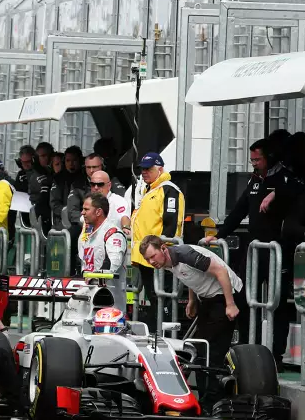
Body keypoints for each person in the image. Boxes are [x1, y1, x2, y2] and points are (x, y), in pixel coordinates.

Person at [202, 139, 292, 364]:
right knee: (242, 297)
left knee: (277, 303)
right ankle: (247, 348)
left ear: (269, 157)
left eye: (257, 159)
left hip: (278, 250)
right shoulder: (254, 179)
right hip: (254, 250)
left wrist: (276, 195)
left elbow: (297, 193)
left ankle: (276, 356)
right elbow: (240, 210)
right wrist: (220, 234)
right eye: (251, 160)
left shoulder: (284, 178)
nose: (254, 163)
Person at [139, 235, 244, 401]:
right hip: (207, 297)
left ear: (164, 248)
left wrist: (230, 304)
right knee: (198, 348)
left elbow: (221, 271)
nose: (151, 262)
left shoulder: (186, 255)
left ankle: (211, 400)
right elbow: (189, 277)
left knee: (207, 349)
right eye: (147, 259)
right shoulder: (167, 262)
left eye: (153, 256)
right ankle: (205, 397)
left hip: (225, 295)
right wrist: (192, 300)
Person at [129, 152, 184, 331]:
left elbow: (171, 223)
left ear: (159, 169)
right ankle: (156, 334)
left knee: (163, 298)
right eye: (142, 169)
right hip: (146, 257)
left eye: (148, 169)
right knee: (153, 298)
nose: (144, 172)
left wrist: (162, 252)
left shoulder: (168, 189)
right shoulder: (149, 189)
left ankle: (167, 336)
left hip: (161, 257)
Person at [80, 193, 128, 312]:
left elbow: (113, 265)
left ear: (98, 212)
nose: (82, 212)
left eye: (86, 209)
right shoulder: (89, 235)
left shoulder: (112, 233)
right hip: (91, 299)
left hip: (110, 303)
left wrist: (94, 275)